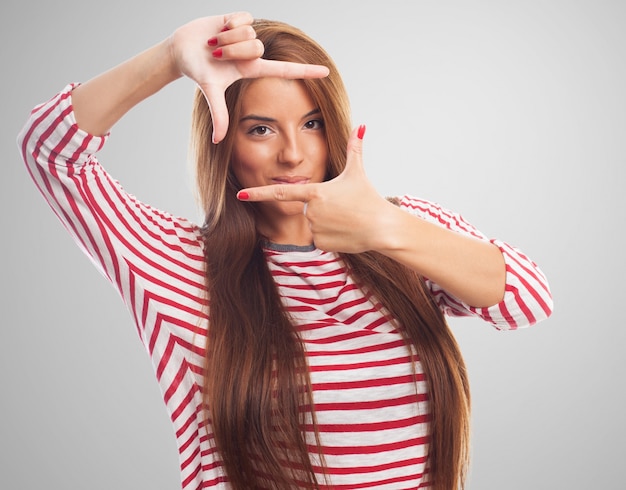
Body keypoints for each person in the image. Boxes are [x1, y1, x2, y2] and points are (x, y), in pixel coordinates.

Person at [17, 11, 553, 490]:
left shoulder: (403, 230)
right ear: (223, 142)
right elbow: (49, 153)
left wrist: (386, 228)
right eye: (261, 129)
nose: (293, 153)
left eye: (312, 123)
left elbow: (527, 301)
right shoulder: (178, 265)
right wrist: (169, 59)